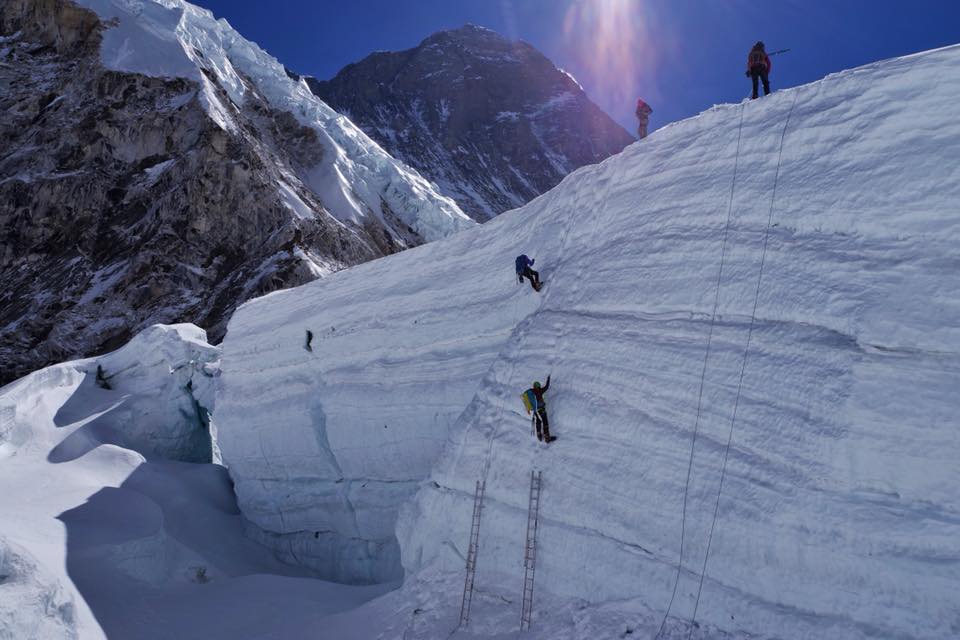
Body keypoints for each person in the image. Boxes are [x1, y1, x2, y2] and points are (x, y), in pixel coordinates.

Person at [527, 376, 555, 443]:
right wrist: (548, 379)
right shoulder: (540, 390)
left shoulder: (530, 391)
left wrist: (528, 408)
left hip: (536, 410)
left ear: (534, 386)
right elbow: (546, 387)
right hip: (541, 409)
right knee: (545, 422)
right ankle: (547, 438)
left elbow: (527, 401)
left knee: (538, 421)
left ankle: (539, 435)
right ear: (538, 386)